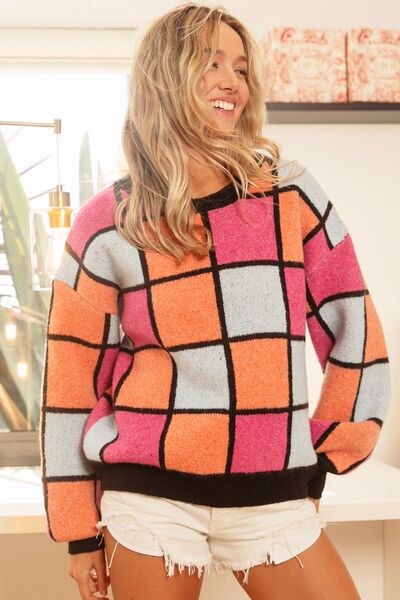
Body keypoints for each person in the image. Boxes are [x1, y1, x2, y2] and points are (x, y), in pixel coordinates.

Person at [39, 3, 391, 599]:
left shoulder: (288, 195)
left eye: (241, 68)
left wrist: (326, 453)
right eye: (210, 63)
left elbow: (354, 326)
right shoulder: (107, 223)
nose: (232, 81)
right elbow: (71, 380)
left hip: (273, 496)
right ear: (165, 77)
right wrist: (78, 533)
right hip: (148, 495)